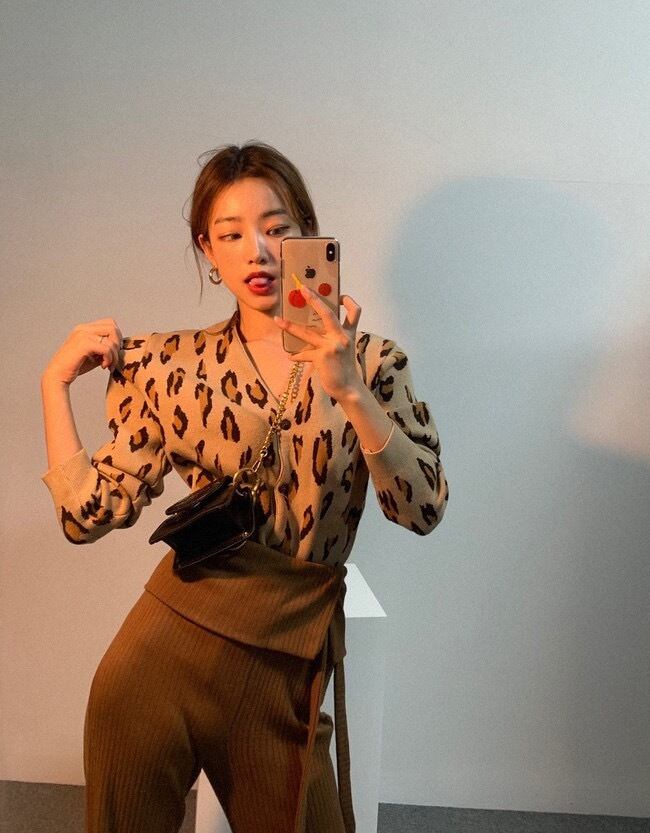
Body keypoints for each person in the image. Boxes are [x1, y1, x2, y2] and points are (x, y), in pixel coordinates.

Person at [40, 141, 449, 833]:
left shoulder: (374, 364)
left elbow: (423, 507)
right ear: (207, 250)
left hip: (286, 664)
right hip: (161, 660)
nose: (257, 250)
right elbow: (86, 515)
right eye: (230, 234)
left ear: (307, 233)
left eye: (276, 227)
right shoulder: (167, 367)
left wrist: (350, 390)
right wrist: (53, 386)